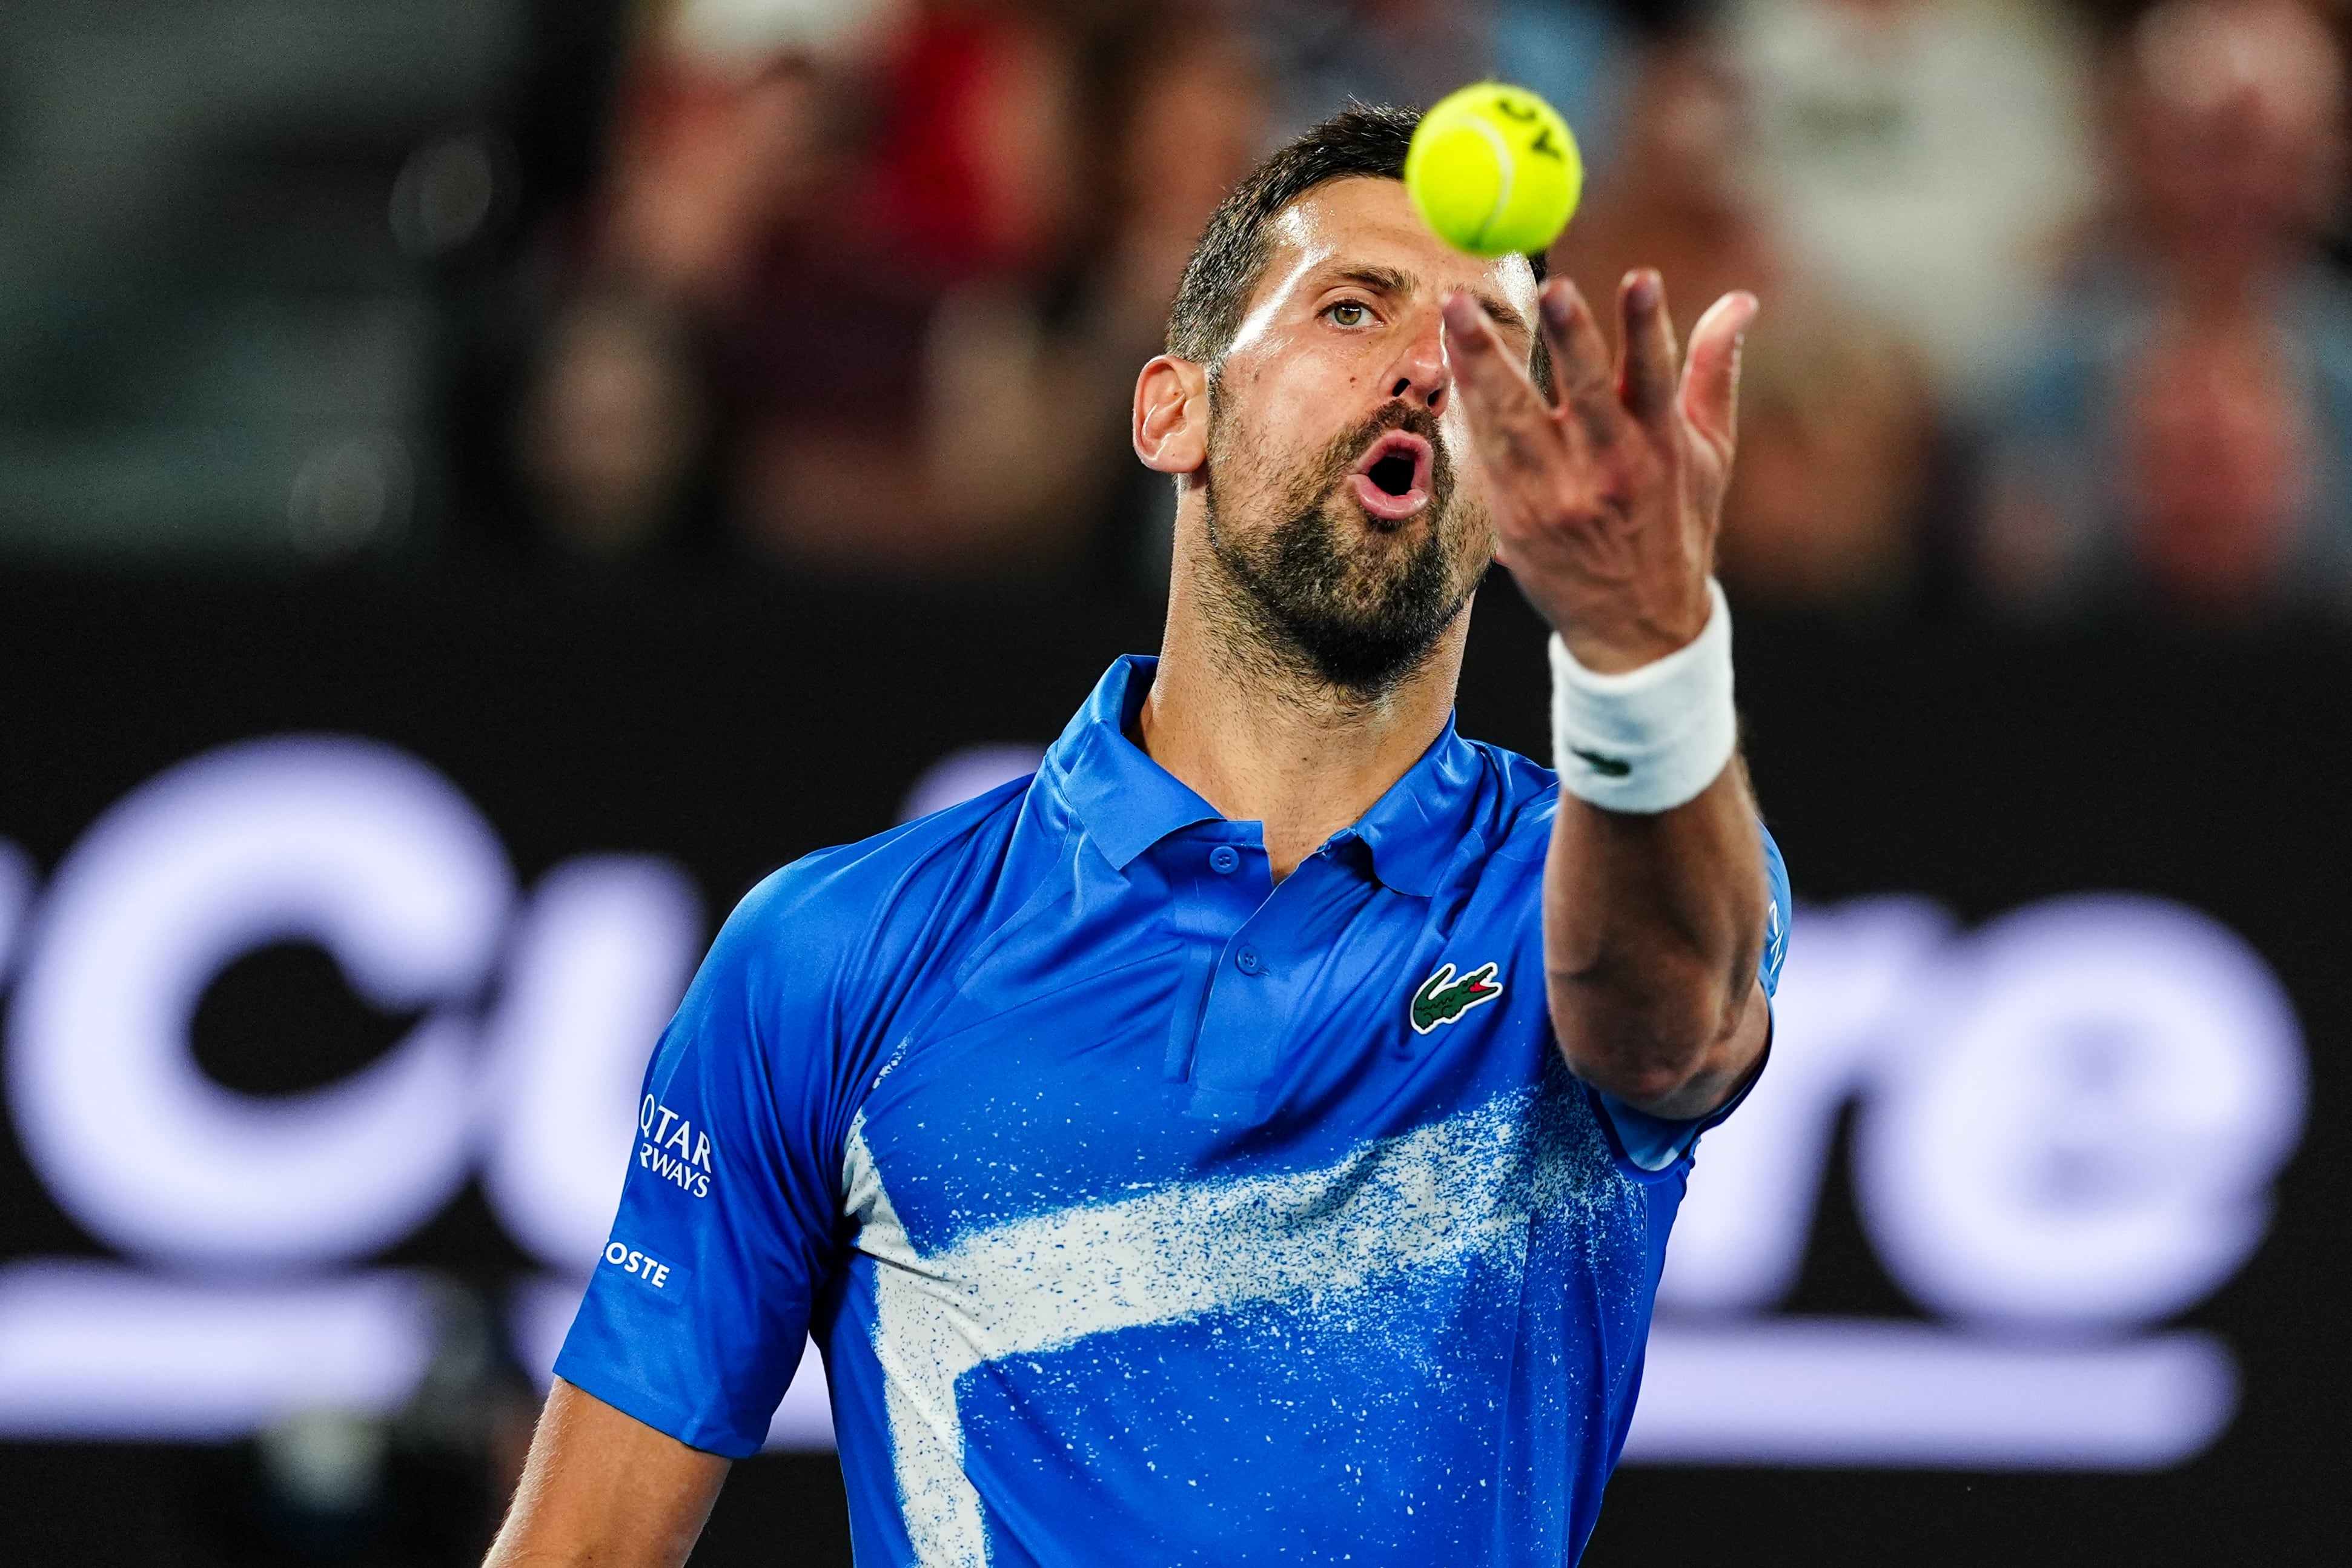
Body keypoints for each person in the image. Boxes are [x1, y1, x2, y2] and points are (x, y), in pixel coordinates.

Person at [485, 107, 1791, 1567]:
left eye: (1487, 340)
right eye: (1354, 308)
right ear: (1171, 410)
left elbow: (1669, 1030)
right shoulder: (835, 954)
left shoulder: (1593, 876)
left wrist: (1643, 651)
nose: (1429, 368)